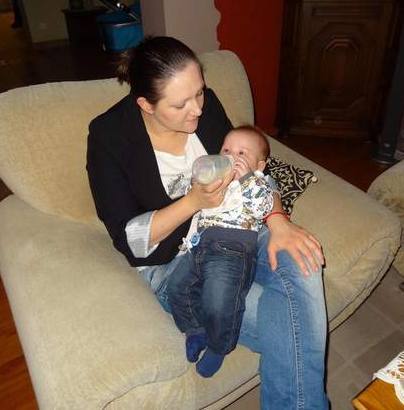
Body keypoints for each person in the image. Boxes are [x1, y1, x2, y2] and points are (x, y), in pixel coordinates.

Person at [87, 36, 329, 409]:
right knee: (289, 324)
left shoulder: (207, 105)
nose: (198, 110)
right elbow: (129, 239)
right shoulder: (108, 136)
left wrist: (278, 219)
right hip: (174, 262)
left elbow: (253, 171)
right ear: (145, 104)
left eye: (199, 92)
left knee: (301, 262)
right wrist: (193, 202)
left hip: (238, 229)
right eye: (180, 104)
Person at [167, 126, 274, 378]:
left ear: (259, 165)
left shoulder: (257, 183)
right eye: (226, 150)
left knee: (219, 301)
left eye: (241, 153)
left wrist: (247, 178)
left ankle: (218, 347)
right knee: (176, 287)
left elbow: (264, 207)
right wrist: (197, 184)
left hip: (232, 250)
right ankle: (195, 330)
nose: (232, 157)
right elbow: (190, 199)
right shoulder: (217, 179)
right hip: (198, 246)